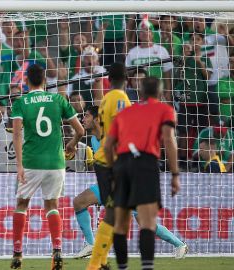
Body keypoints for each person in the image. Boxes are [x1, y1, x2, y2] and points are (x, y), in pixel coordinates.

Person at [72, 107, 188, 260]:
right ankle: (90, 244)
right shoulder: (94, 140)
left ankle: (179, 245)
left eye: (86, 116)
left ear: (96, 119)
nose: (82, 119)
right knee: (79, 202)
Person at [10, 64, 84, 269]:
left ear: (25, 81)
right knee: (52, 206)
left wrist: (19, 165)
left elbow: (16, 134)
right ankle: (57, 251)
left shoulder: (21, 102)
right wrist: (71, 144)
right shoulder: (59, 99)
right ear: (45, 81)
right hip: (56, 162)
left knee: (22, 204)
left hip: (32, 161)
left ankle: (17, 254)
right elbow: (80, 130)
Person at [104, 77, 180, 270]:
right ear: (161, 93)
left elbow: (108, 146)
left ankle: (122, 267)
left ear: (141, 92)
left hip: (122, 163)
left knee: (120, 224)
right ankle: (147, 267)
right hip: (145, 163)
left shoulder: (125, 112)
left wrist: (114, 171)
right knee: (147, 222)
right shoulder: (165, 110)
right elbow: (169, 140)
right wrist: (175, 174)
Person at [86, 62, 131, 270]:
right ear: (127, 78)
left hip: (104, 159)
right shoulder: (120, 99)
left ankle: (101, 261)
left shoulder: (105, 99)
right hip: (112, 161)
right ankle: (96, 264)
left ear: (110, 79)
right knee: (116, 212)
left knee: (117, 212)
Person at [125, 20, 173, 102]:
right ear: (138, 34)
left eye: (148, 30)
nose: (145, 33)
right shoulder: (132, 52)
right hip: (137, 94)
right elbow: (128, 74)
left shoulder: (162, 50)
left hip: (158, 92)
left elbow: (167, 73)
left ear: (152, 33)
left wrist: (168, 91)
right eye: (142, 31)